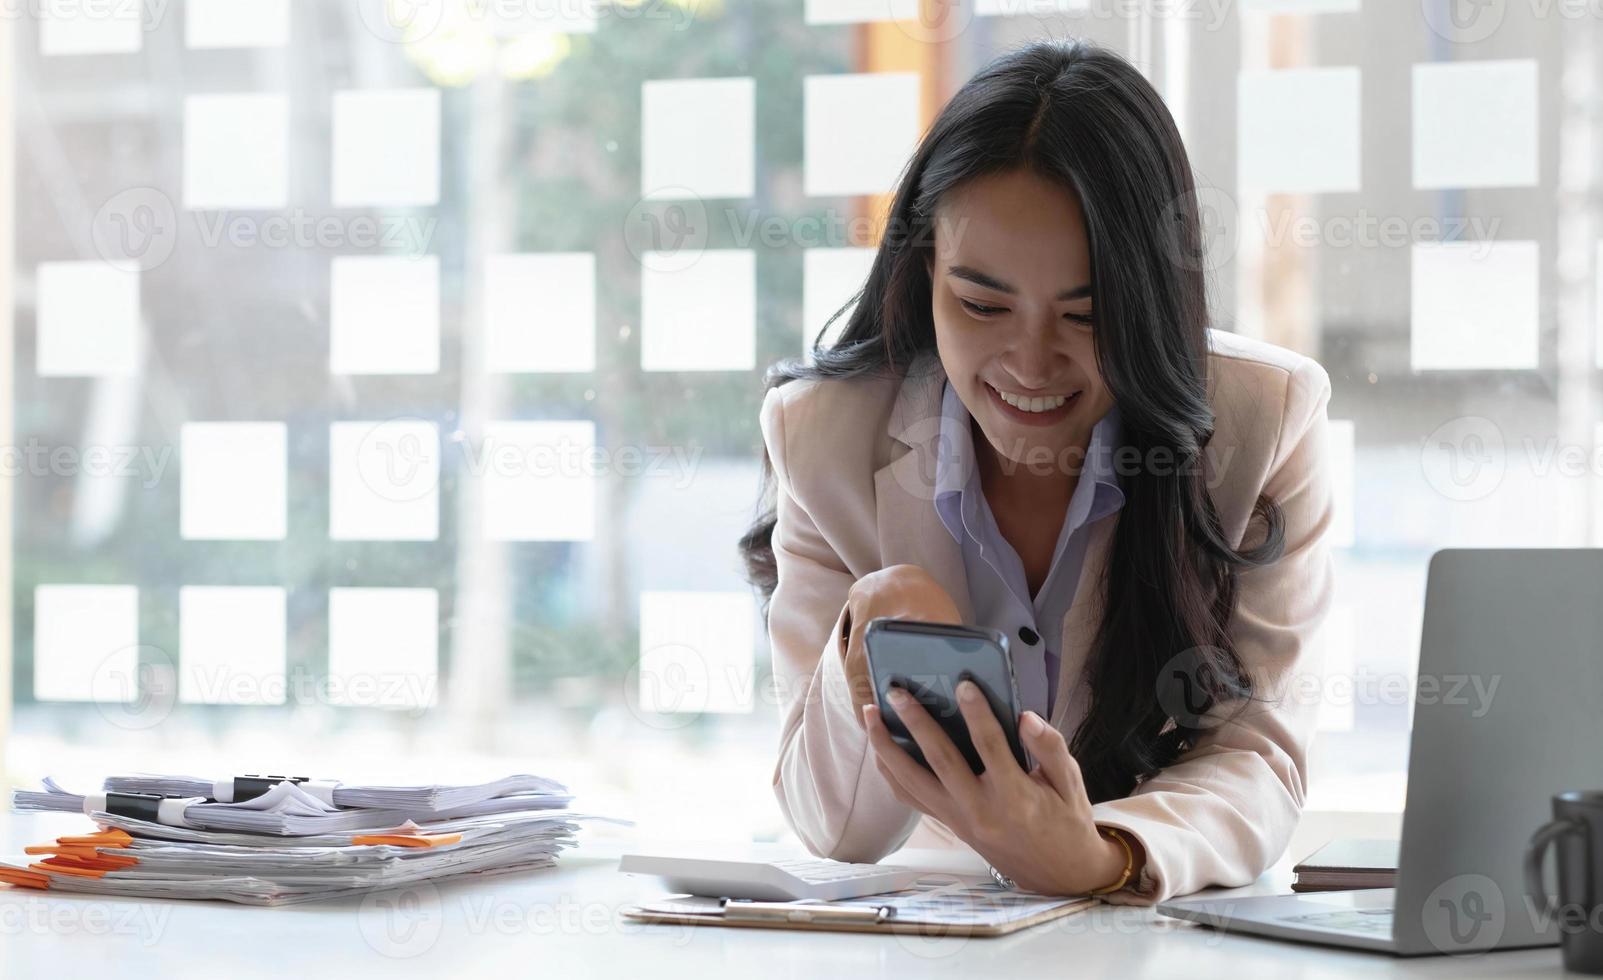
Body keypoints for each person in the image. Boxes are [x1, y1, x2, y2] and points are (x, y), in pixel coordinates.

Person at [739, 38, 1335, 904]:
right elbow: (838, 832)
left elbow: (1256, 752)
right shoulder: (825, 434)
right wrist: (865, 637)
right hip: (935, 936)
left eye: (1086, 315)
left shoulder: (1263, 419)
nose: (1029, 362)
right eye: (981, 304)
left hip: (1147, 933)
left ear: (1152, 302)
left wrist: (1101, 854)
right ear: (922, 273)